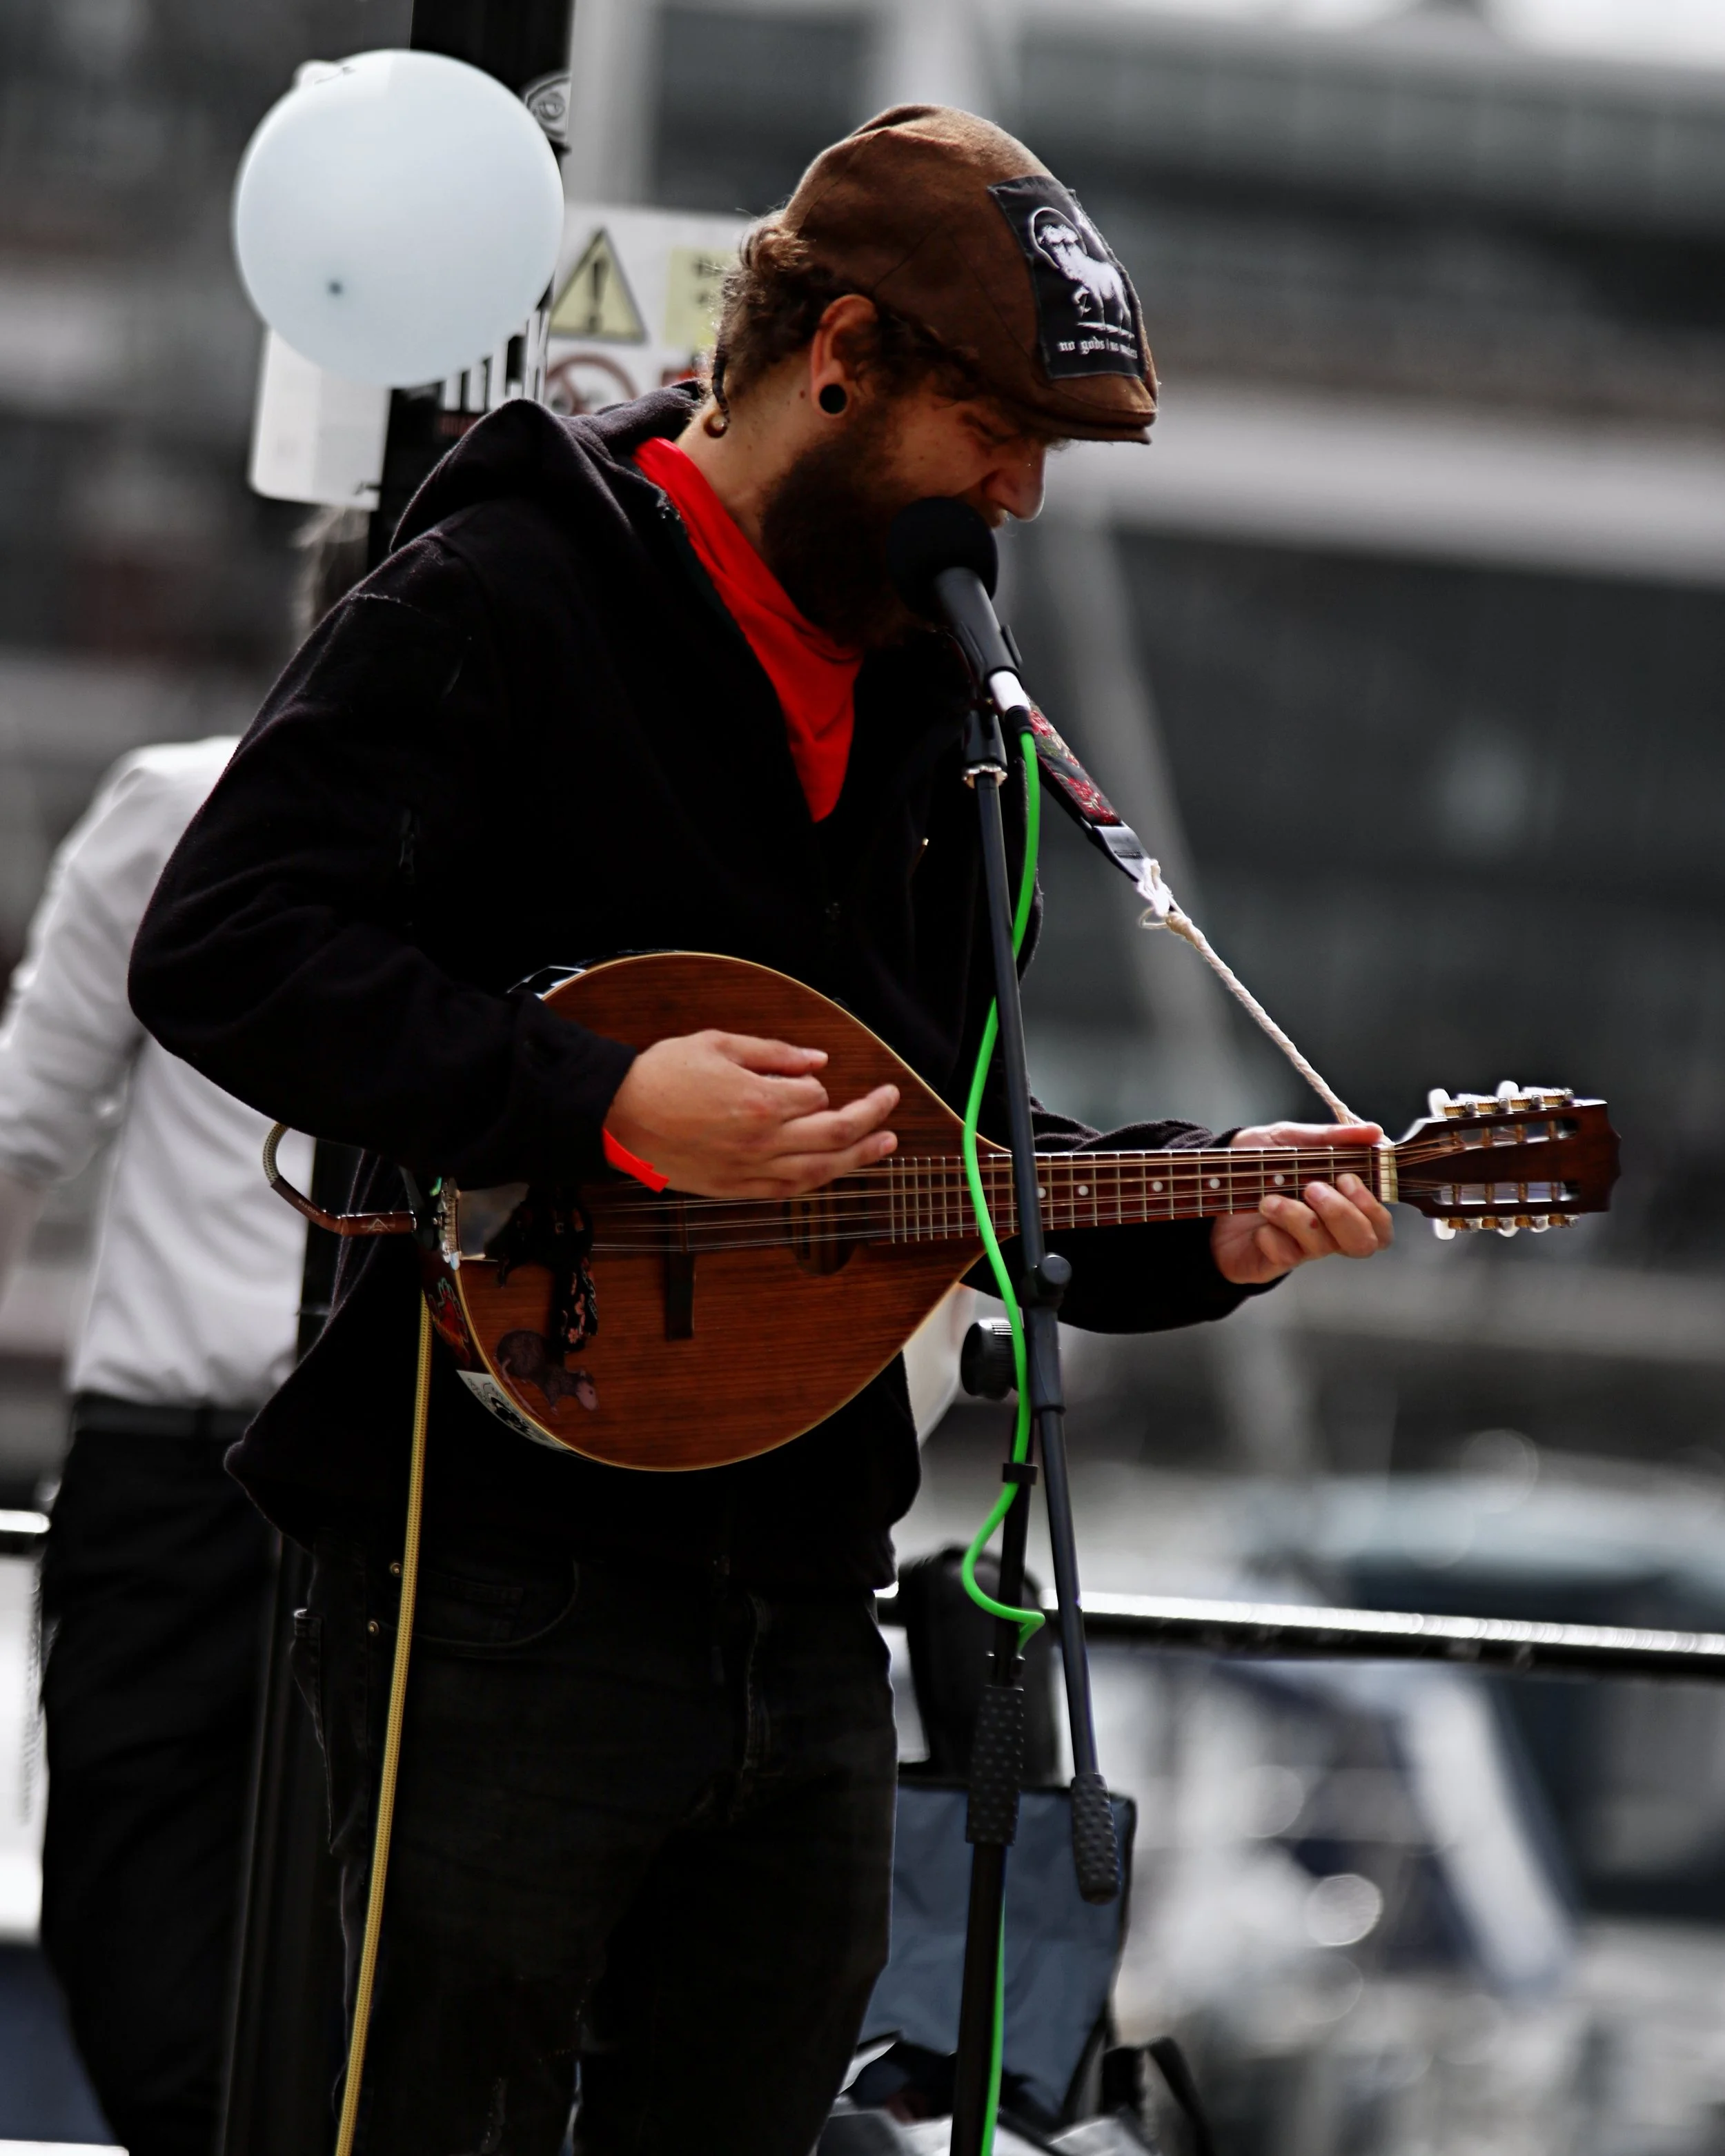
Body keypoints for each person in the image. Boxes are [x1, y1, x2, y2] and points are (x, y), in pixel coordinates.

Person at [128, 108, 1392, 2156]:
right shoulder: (510, 586)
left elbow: (945, 1143)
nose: (1020, 491)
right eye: (994, 428)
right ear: (841, 356)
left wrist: (1199, 1226)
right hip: (499, 1563)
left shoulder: (942, 705)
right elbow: (226, 945)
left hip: (807, 1583)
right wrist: (605, 1099)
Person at [0, 508, 366, 2156]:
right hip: (183, 1461)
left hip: (391, 1480)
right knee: (132, 1931)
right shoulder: (176, 810)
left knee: (368, 1958)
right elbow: (20, 1126)